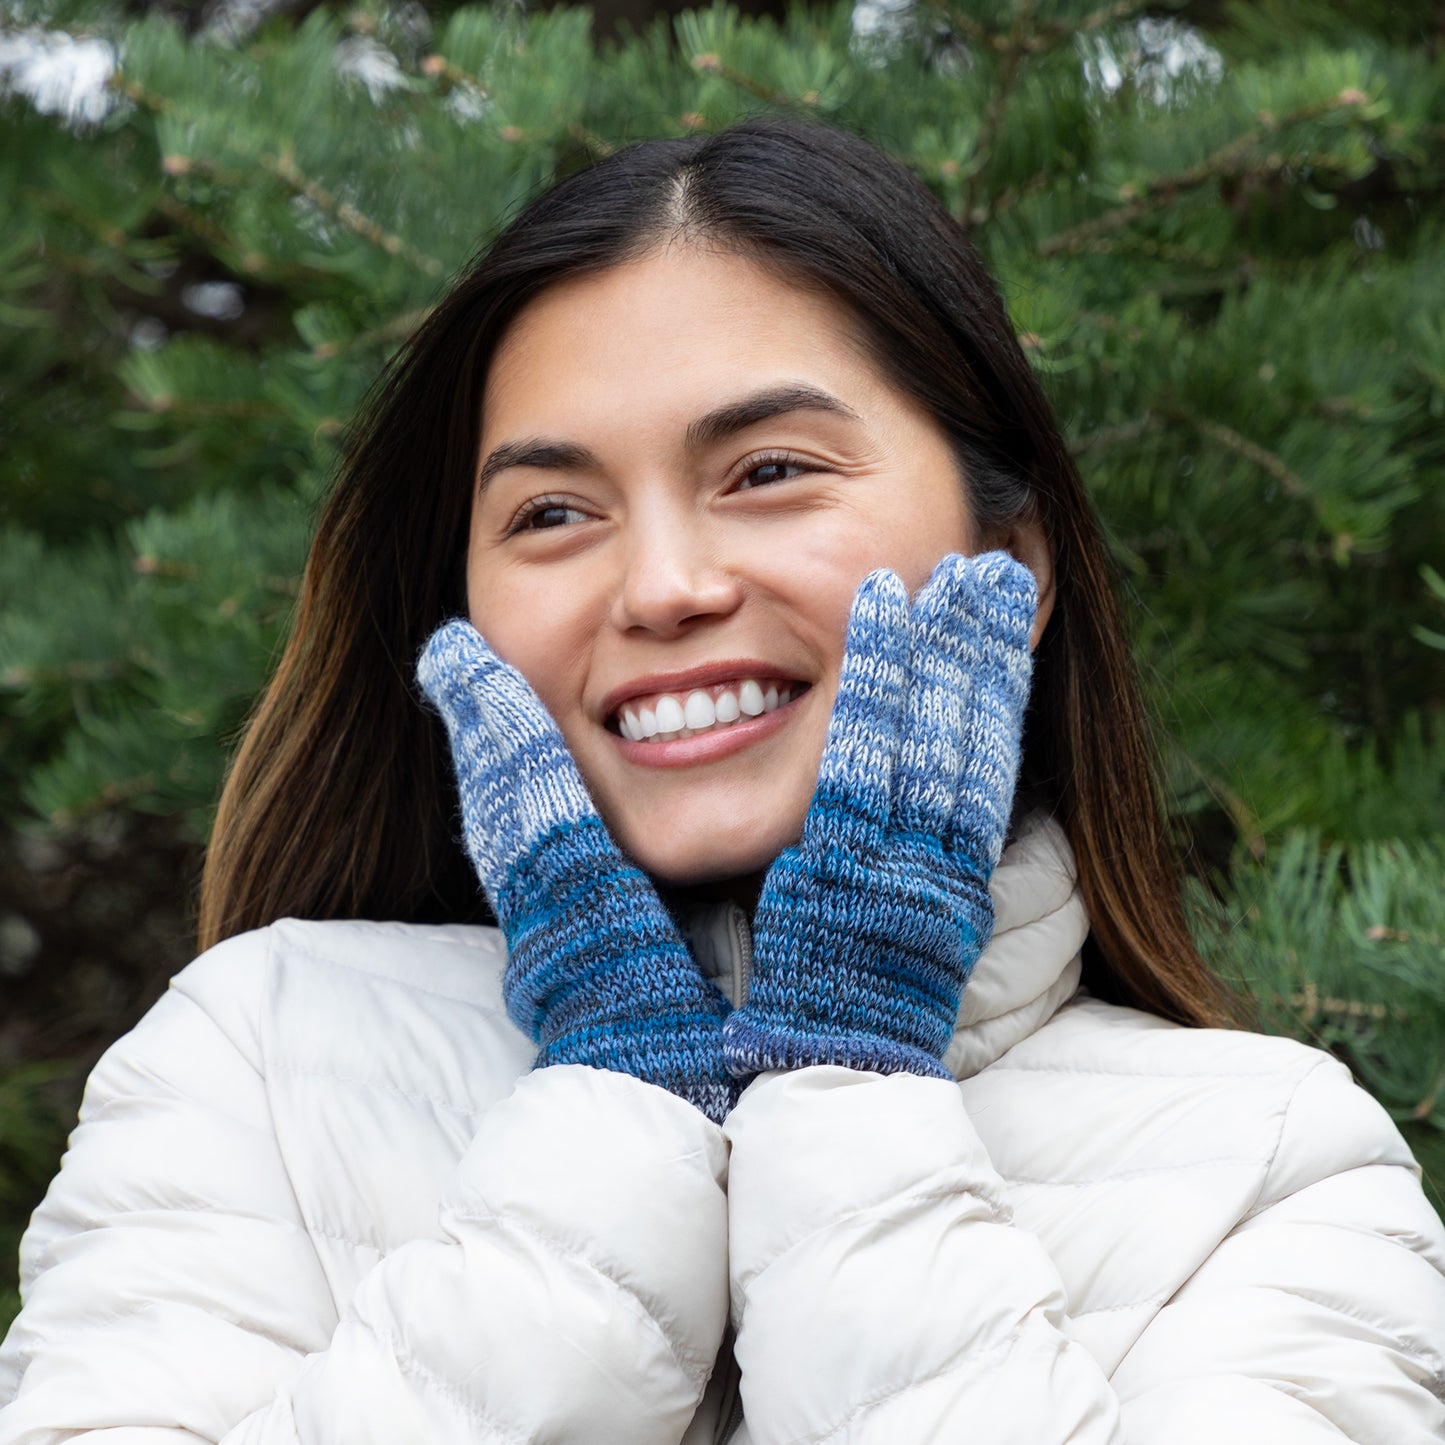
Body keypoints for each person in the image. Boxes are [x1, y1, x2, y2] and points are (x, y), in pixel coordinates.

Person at [1, 117, 1442, 1443]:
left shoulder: (1273, 1165)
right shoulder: (255, 1063)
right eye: (553, 510)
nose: (665, 586)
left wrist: (845, 1085)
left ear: (1011, 565)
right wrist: (612, 1118)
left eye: (766, 470)